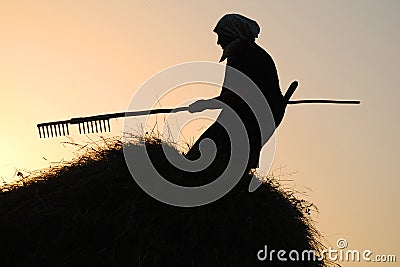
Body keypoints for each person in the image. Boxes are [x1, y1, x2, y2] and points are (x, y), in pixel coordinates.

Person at [185, 14, 285, 176]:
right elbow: (233, 97)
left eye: (221, 36)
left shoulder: (243, 55)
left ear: (232, 34)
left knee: (210, 147)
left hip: (256, 114)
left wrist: (204, 104)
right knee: (226, 152)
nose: (218, 42)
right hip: (252, 111)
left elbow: (235, 96)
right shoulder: (247, 53)